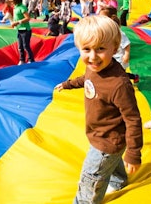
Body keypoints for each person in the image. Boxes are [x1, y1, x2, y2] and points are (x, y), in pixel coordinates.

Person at [54, 15, 143, 203]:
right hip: (103, 135)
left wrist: (134, 153)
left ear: (115, 46)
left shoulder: (119, 84)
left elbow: (133, 119)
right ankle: (118, 181)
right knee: (113, 159)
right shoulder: (93, 67)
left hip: (108, 139)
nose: (93, 57)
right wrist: (68, 84)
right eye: (86, 49)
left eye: (101, 49)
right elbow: (86, 79)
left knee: (91, 175)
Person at [99, 6, 140, 83]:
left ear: (110, 19)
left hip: (120, 59)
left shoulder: (118, 33)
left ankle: (131, 78)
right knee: (115, 73)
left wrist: (126, 55)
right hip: (111, 58)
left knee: (119, 74)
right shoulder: (105, 31)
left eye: (103, 18)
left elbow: (127, 44)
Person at [8, 0, 35, 65]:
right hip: (19, 30)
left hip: (26, 30)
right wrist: (13, 23)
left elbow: (28, 18)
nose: (10, 0)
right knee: (20, 47)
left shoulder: (22, 7)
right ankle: (22, 60)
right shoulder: (15, 7)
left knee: (26, 46)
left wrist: (17, 22)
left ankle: (31, 60)